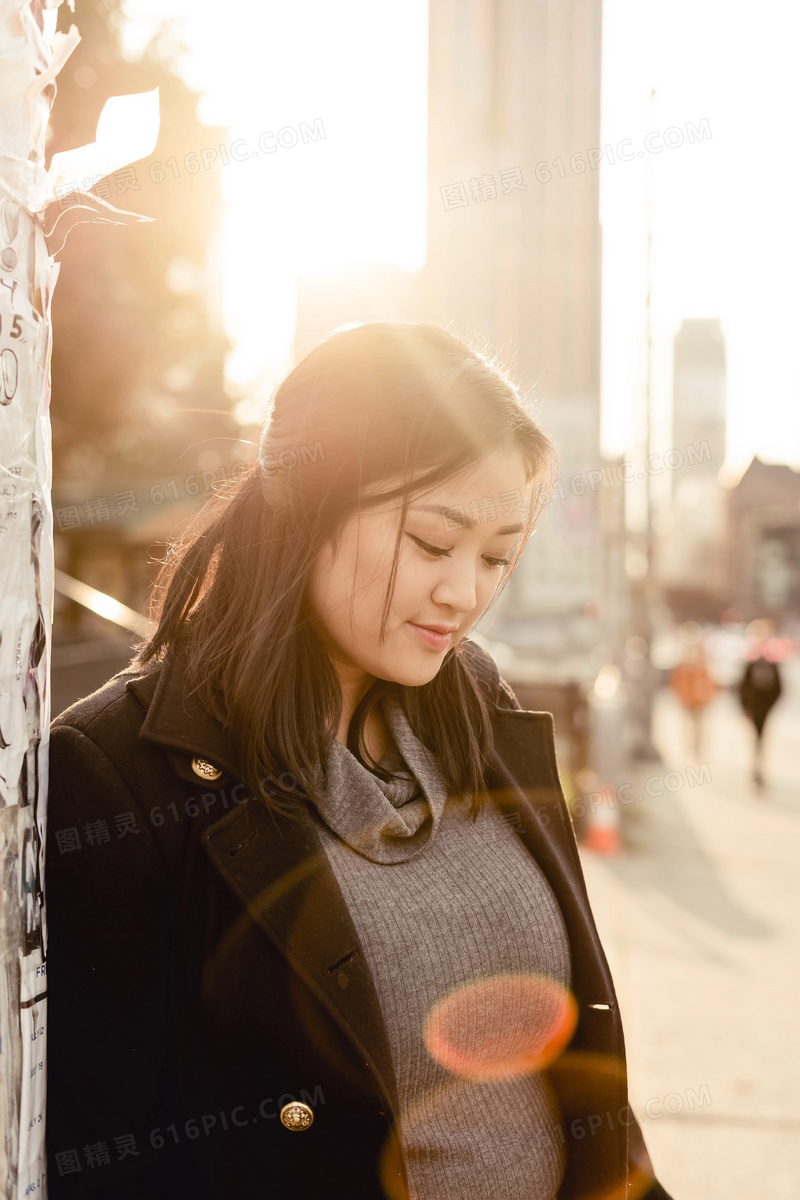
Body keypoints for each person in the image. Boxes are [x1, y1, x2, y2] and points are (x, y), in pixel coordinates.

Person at [45, 322, 672, 1200]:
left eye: (496, 556)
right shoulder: (118, 771)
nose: (465, 593)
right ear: (307, 501)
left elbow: (582, 1084)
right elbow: (117, 1162)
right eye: (431, 543)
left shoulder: (475, 702)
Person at [737, 649, 783, 789]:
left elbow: (778, 690)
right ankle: (757, 769)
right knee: (757, 740)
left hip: (763, 710)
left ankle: (759, 769)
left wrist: (769, 707)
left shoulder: (772, 667)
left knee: (759, 740)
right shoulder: (751, 667)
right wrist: (746, 707)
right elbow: (743, 688)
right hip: (754, 710)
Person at [668, 640, 717, 761]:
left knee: (699, 727)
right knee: (688, 726)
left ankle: (698, 748)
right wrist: (682, 697)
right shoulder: (683, 668)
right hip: (688, 701)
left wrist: (707, 698)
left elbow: (710, 684)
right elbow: (677, 684)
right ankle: (688, 748)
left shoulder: (702, 668)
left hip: (700, 702)